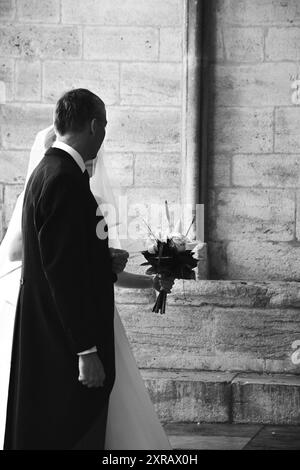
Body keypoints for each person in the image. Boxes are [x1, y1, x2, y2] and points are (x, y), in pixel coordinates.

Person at [0, 88, 173, 450]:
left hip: (53, 333)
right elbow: (60, 274)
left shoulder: (48, 172)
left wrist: (101, 261)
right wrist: (86, 351)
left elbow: (63, 258)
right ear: (94, 125)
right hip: (65, 342)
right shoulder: (65, 180)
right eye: (105, 125)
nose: (104, 134)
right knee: (72, 432)